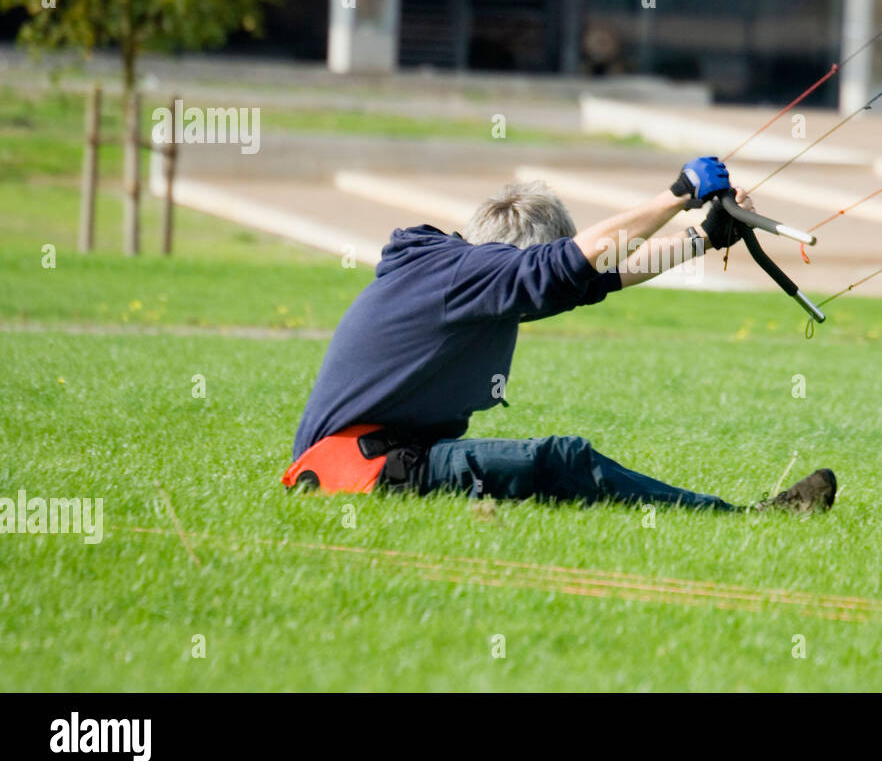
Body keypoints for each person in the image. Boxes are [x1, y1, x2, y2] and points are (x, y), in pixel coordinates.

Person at [283, 157, 836, 514]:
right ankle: (741, 518)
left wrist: (702, 237)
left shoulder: (464, 280)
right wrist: (677, 195)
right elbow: (574, 264)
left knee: (551, 466)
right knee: (561, 460)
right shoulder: (470, 273)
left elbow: (598, 278)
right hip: (353, 467)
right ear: (518, 257)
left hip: (376, 460)